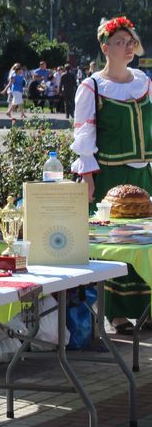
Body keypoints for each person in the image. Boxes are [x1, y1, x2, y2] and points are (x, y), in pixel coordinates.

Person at [71, 16, 152, 333]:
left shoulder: (143, 82)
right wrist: (87, 176)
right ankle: (115, 314)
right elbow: (84, 134)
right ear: (106, 48)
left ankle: (146, 309)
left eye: (131, 42)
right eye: (121, 42)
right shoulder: (92, 87)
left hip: (144, 176)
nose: (128, 47)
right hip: (110, 179)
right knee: (116, 243)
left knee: (145, 242)